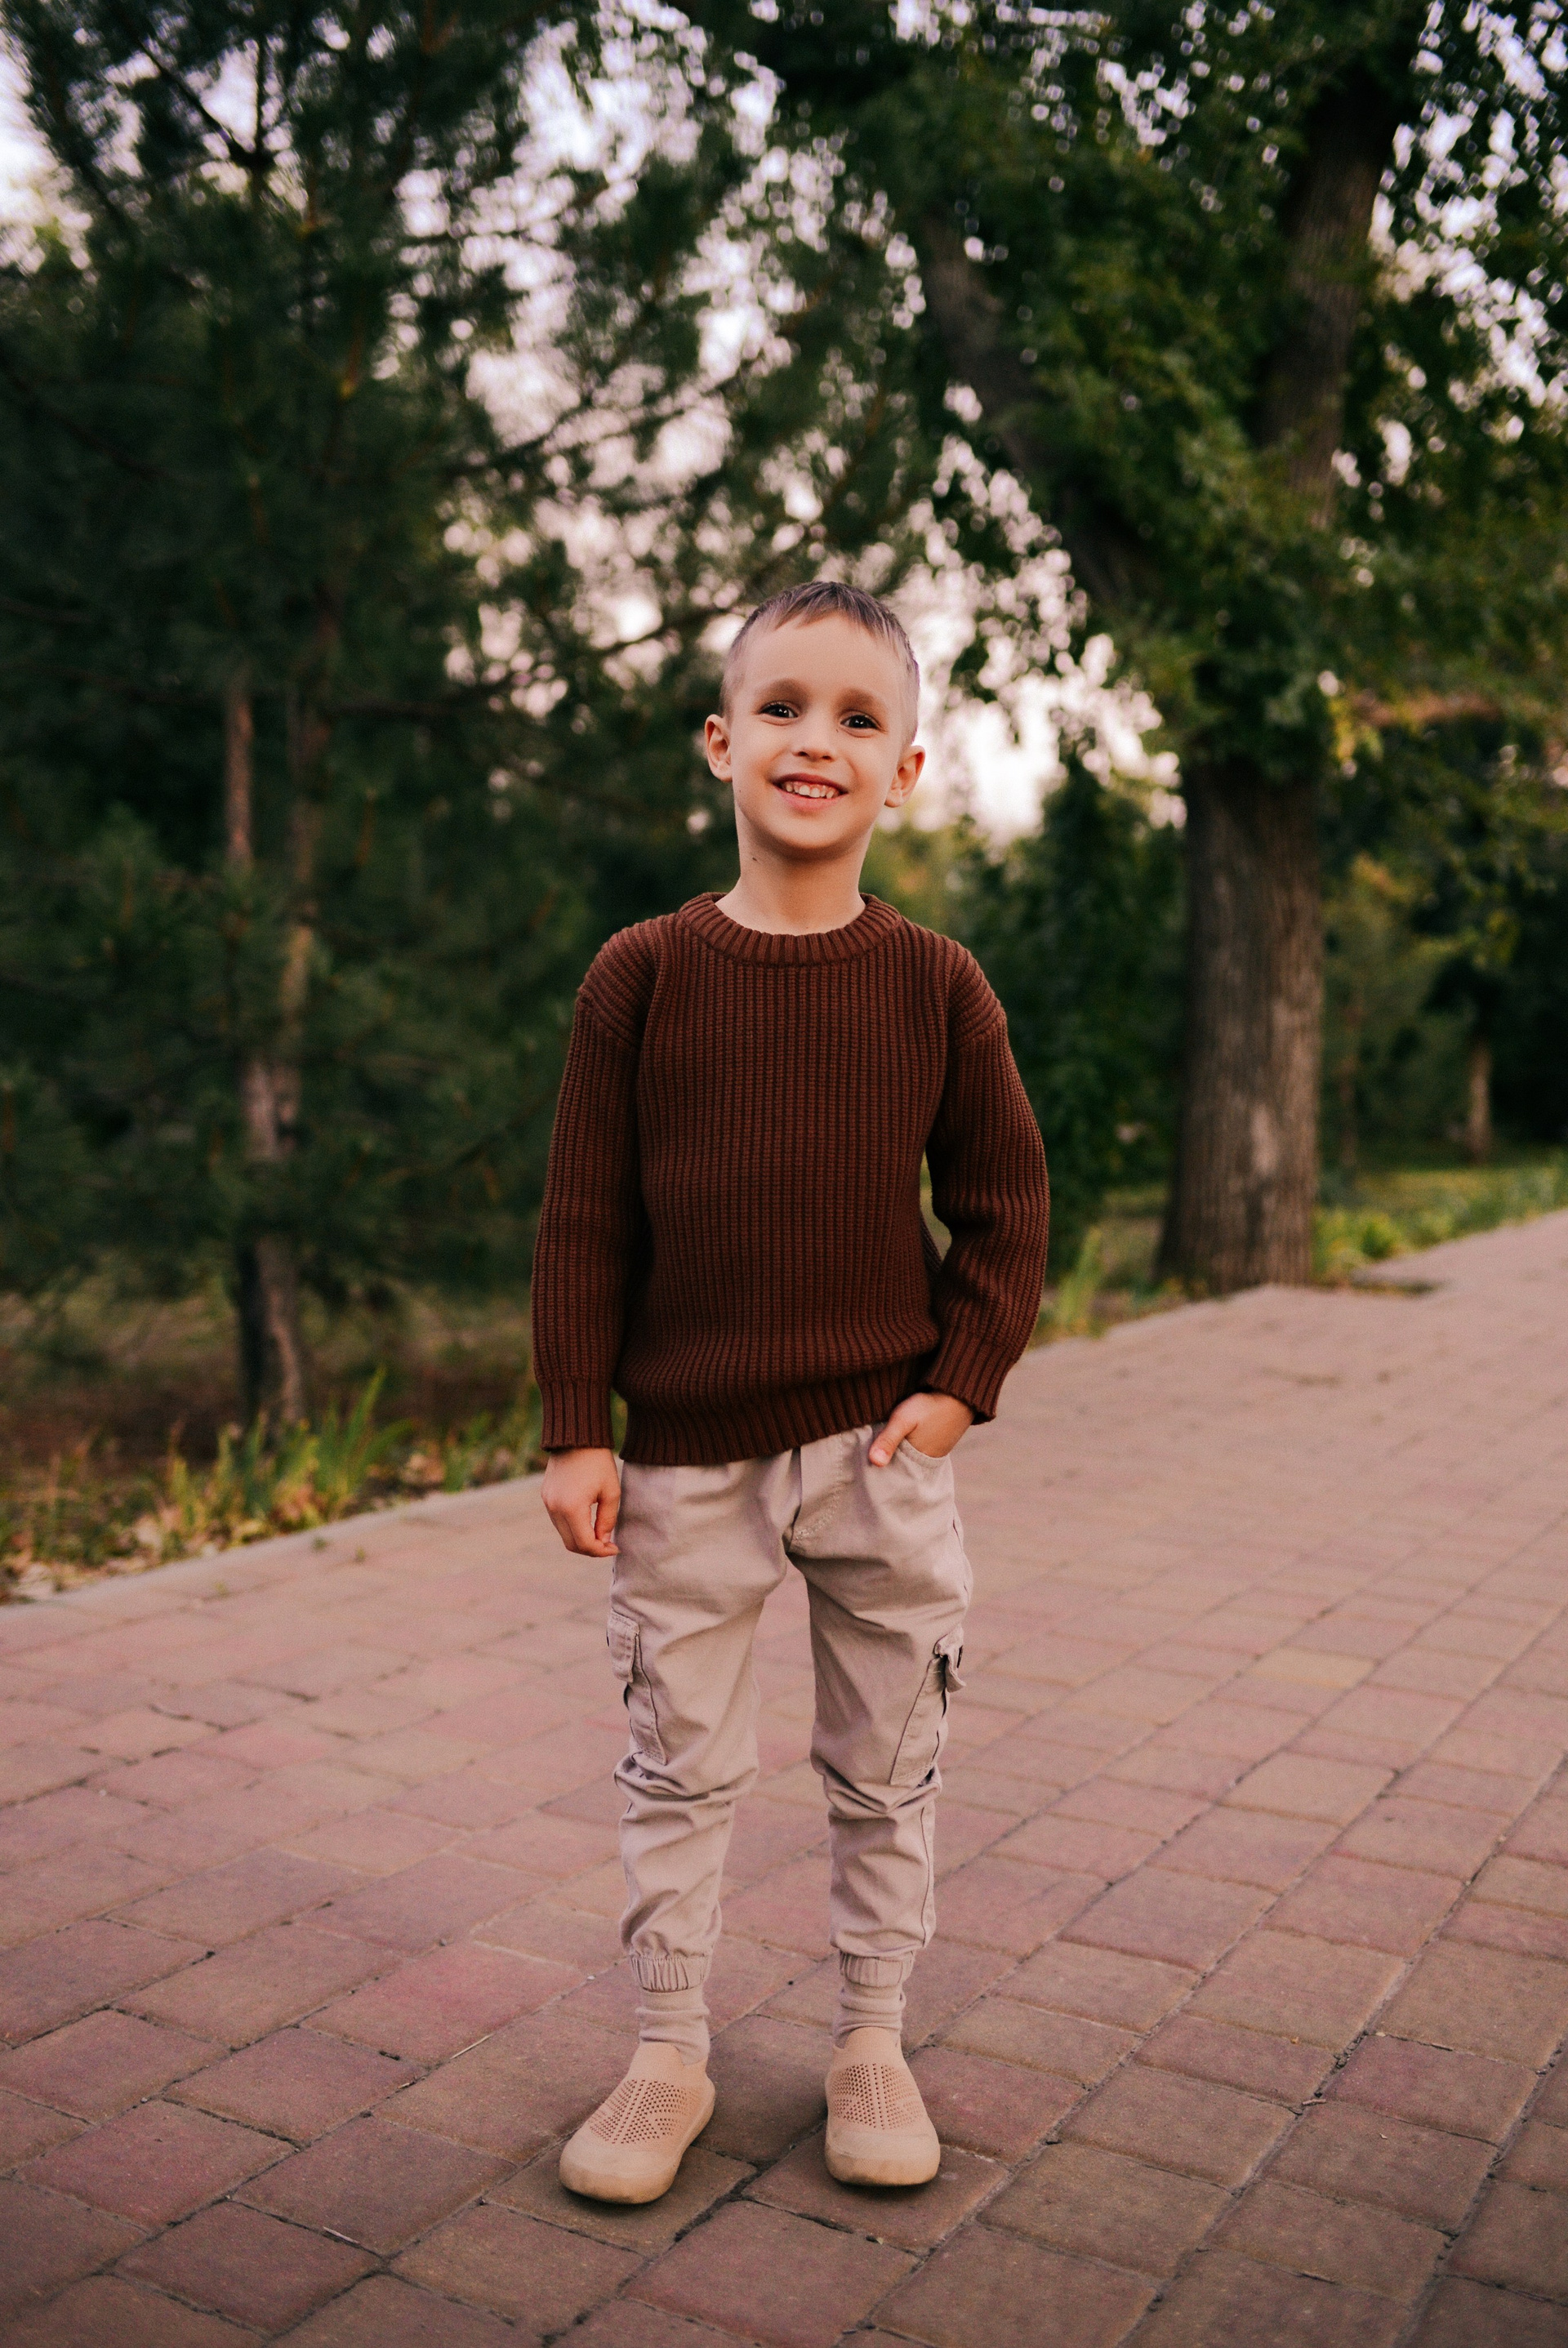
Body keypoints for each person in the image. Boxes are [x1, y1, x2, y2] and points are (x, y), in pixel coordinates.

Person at [532, 580, 1049, 2205]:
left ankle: (871, 2039)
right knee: (678, 1763)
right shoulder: (642, 976)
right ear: (720, 741)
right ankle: (667, 2050)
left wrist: (961, 1384)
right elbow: (584, 1217)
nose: (814, 741)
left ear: (906, 770)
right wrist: (578, 1424)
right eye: (780, 707)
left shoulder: (937, 985)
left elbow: (1008, 1207)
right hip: (685, 1459)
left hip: (880, 1454)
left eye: (856, 717)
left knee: (887, 1764)